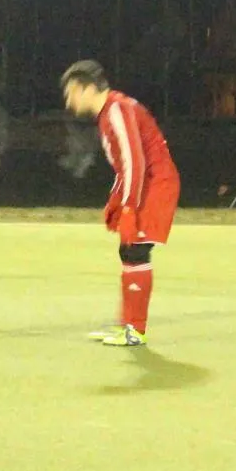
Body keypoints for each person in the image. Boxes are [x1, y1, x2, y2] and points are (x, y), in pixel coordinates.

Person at [62, 60, 180, 348]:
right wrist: (117, 198)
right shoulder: (111, 110)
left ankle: (135, 330)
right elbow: (124, 166)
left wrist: (128, 207)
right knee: (128, 250)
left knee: (136, 250)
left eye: (71, 93)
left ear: (86, 88)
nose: (69, 102)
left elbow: (134, 162)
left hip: (155, 185)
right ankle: (126, 324)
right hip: (146, 185)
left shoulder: (116, 109)